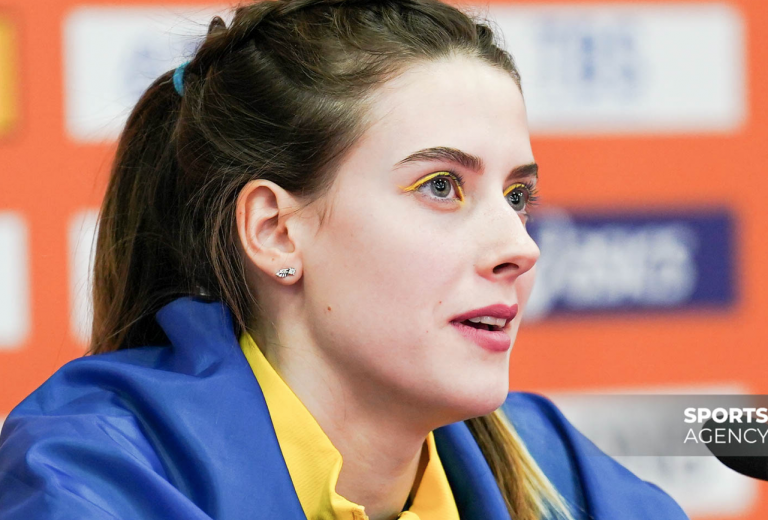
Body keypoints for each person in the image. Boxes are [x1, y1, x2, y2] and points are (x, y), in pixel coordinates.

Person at [0, 1, 688, 519]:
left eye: (517, 197)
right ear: (275, 231)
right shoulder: (91, 479)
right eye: (441, 187)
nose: (520, 247)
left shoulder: (554, 470)